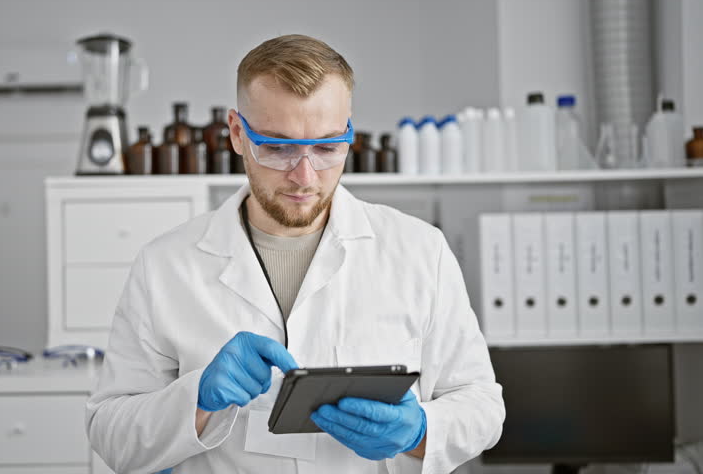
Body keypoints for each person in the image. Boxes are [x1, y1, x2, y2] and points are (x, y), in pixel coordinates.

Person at [86, 34, 504, 474]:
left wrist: (420, 432)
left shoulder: (420, 252)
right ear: (236, 134)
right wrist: (196, 401)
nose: (304, 176)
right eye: (278, 147)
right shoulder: (166, 265)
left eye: (326, 147)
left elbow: (483, 407)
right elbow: (111, 436)